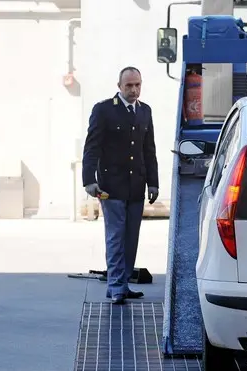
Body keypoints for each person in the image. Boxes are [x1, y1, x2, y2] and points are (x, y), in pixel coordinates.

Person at [82, 66, 159, 305]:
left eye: (137, 85)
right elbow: (92, 147)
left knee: (130, 238)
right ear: (119, 86)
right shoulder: (104, 110)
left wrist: (153, 183)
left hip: (135, 186)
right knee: (115, 236)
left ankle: (123, 284)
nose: (134, 90)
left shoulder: (144, 111)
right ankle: (115, 286)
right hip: (111, 187)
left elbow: (149, 150)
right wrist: (89, 181)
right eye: (129, 85)